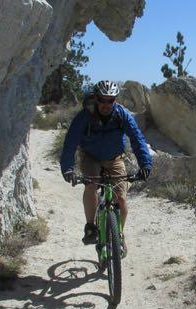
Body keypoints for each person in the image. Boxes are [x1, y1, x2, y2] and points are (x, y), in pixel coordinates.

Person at [60, 80, 153, 246]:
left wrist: (145, 165)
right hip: (90, 157)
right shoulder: (85, 116)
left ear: (115, 100)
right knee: (91, 185)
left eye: (110, 100)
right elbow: (70, 142)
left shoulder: (122, 115)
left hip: (114, 158)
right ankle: (91, 226)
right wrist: (68, 168)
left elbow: (137, 139)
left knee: (121, 199)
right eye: (102, 100)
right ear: (96, 98)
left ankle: (119, 236)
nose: (106, 104)